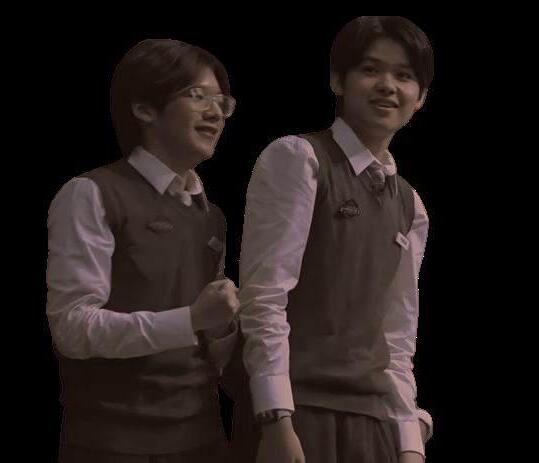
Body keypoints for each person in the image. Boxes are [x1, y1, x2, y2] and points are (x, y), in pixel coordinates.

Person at [238, 16, 435, 463]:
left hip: (374, 421)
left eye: (404, 75)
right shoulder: (299, 158)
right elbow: (264, 297)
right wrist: (275, 416)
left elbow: (397, 334)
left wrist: (408, 442)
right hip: (300, 411)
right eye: (371, 69)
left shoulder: (411, 204)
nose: (387, 86)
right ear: (338, 80)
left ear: (420, 96)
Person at [46, 38, 239, 462]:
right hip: (113, 441)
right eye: (197, 95)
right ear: (144, 108)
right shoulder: (91, 193)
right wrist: (191, 319)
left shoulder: (211, 216)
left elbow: (211, 344)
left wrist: (223, 328)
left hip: (203, 435)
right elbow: (73, 329)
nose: (215, 113)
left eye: (221, 102)